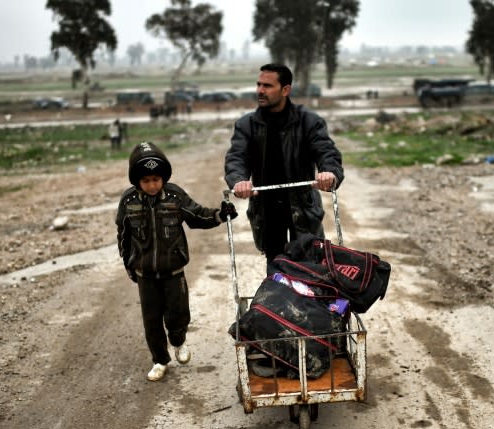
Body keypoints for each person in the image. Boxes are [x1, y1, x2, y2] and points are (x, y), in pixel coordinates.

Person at [116, 141, 238, 381]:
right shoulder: (128, 201)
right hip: (145, 274)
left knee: (178, 314)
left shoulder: (175, 195)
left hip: (174, 272)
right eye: (146, 180)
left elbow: (197, 215)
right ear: (137, 181)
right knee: (151, 321)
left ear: (163, 178)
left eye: (156, 179)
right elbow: (123, 236)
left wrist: (219, 215)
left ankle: (178, 341)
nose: (152, 185)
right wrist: (129, 265)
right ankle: (160, 359)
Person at [224, 63, 344, 263]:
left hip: (303, 205)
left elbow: (327, 152)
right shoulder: (247, 125)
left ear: (286, 89)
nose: (260, 90)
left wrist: (329, 173)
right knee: (276, 272)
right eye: (259, 84)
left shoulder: (308, 121)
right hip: (267, 208)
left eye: (268, 86)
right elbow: (237, 157)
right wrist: (238, 181)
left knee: (310, 269)